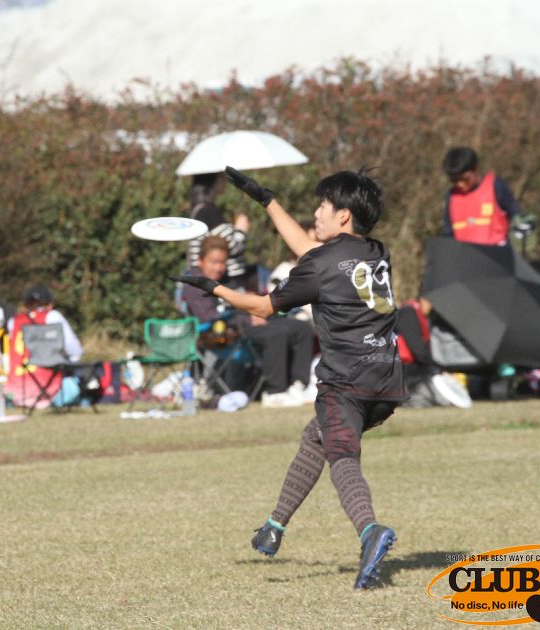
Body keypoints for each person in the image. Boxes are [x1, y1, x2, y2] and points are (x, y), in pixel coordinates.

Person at [173, 166, 407, 589]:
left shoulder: (320, 264)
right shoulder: (377, 252)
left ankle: (370, 531)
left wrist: (213, 288)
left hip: (346, 383)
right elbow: (310, 251)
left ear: (343, 215)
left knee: (342, 456)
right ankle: (274, 527)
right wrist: (266, 200)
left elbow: (263, 308)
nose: (316, 213)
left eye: (323, 205)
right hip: (386, 381)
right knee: (316, 437)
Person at [180, 235, 315, 407]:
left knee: (301, 327)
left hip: (245, 323)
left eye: (223, 262)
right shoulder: (195, 283)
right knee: (277, 333)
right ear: (200, 260)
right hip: (222, 334)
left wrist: (254, 306)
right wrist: (248, 316)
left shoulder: (227, 279)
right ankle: (274, 392)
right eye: (214, 262)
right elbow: (209, 317)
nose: (219, 267)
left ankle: (298, 386)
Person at [4, 284, 83, 407]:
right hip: (48, 390)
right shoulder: (53, 316)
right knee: (76, 382)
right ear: (50, 304)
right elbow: (75, 351)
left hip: (16, 392)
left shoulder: (13, 321)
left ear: (26, 304)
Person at [441, 146, 522, 246]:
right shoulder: (452, 196)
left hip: (497, 252)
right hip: (464, 254)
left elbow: (517, 218)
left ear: (475, 169)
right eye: (454, 180)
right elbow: (448, 233)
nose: (460, 184)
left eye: (465, 179)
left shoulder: (496, 186)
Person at [185, 171, 250, 287]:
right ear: (213, 180)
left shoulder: (199, 209)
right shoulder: (209, 212)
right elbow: (234, 247)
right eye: (222, 176)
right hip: (225, 282)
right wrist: (241, 230)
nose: (225, 180)